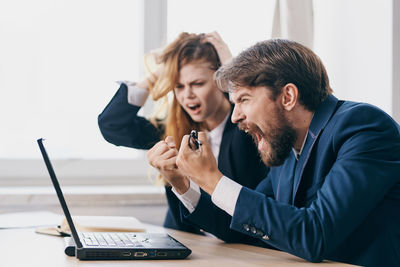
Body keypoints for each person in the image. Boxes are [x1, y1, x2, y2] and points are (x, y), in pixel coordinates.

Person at [157, 39, 400, 266]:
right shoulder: (286, 147)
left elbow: (315, 234)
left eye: (244, 99)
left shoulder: (363, 127)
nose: (235, 116)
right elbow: (240, 227)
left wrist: (213, 179)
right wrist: (183, 184)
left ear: (288, 97)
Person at [97, 32, 269, 237]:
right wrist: (159, 73)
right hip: (186, 241)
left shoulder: (248, 125)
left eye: (197, 84)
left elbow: (261, 102)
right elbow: (112, 125)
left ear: (221, 81)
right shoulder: (175, 129)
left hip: (238, 242)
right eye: (179, 86)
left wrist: (233, 67)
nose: (187, 95)